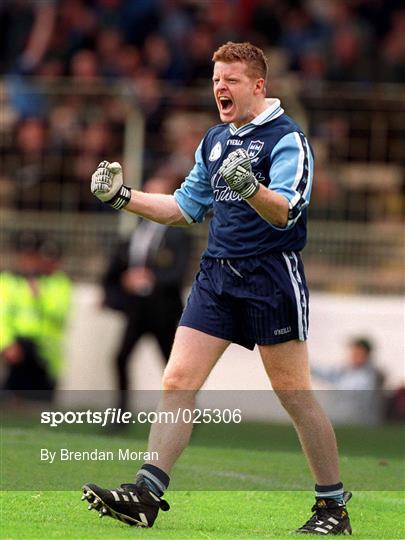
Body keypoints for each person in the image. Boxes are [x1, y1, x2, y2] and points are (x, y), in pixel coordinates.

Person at [82, 42, 352, 535]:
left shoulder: (288, 139)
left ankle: (332, 507)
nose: (219, 89)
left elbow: (287, 211)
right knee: (177, 381)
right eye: (215, 81)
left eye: (229, 80)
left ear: (258, 86)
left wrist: (250, 188)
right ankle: (146, 493)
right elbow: (184, 208)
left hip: (271, 275)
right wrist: (121, 196)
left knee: (293, 393)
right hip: (217, 275)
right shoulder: (214, 139)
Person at [102, 178, 191, 411]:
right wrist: (126, 280)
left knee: (173, 367)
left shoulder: (177, 234)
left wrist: (150, 278)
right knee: (121, 357)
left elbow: (178, 273)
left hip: (163, 310)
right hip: (137, 310)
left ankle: (186, 411)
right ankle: (121, 412)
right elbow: (119, 267)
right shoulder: (137, 232)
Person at [0, 232, 71, 401]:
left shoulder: (57, 282)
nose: (28, 261)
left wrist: (40, 295)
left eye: (32, 256)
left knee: (41, 404)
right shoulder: (8, 281)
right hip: (18, 350)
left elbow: (60, 313)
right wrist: (6, 343)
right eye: (24, 256)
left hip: (45, 354)